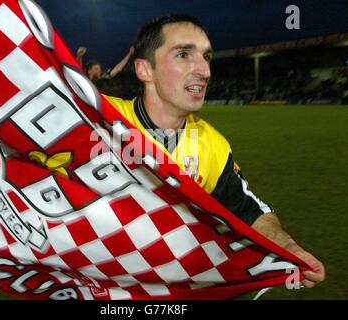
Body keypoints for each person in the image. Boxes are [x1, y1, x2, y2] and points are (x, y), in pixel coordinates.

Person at [104, 14, 325, 289]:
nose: (204, 71)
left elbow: (249, 212)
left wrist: (289, 246)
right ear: (145, 70)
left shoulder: (213, 146)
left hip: (161, 290)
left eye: (206, 57)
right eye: (184, 54)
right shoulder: (94, 118)